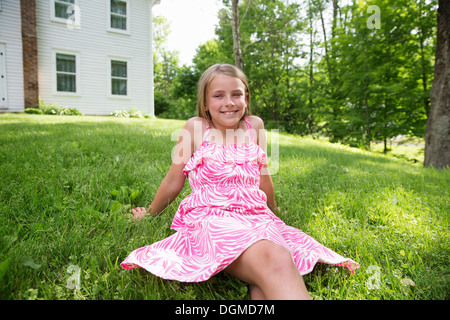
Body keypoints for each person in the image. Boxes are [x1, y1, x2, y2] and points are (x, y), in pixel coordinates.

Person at [121, 64, 359, 300]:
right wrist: (151, 213)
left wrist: (274, 210)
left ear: (246, 97)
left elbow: (263, 176)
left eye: (236, 94)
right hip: (213, 218)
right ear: (205, 103)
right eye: (218, 95)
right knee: (273, 257)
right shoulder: (195, 128)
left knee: (272, 269)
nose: (229, 102)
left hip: (256, 216)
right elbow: (174, 180)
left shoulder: (255, 126)